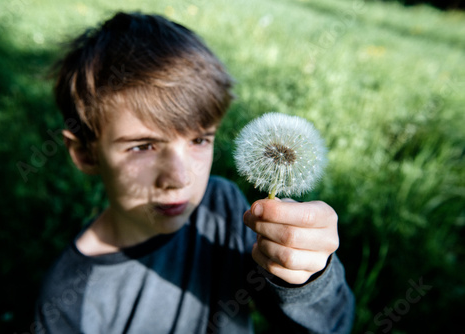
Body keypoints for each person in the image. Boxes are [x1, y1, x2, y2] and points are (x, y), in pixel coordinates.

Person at [35, 11, 355, 334]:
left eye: (200, 140)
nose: (179, 178)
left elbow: (332, 326)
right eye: (143, 146)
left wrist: (306, 277)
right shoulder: (67, 299)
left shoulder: (224, 209)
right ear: (85, 153)